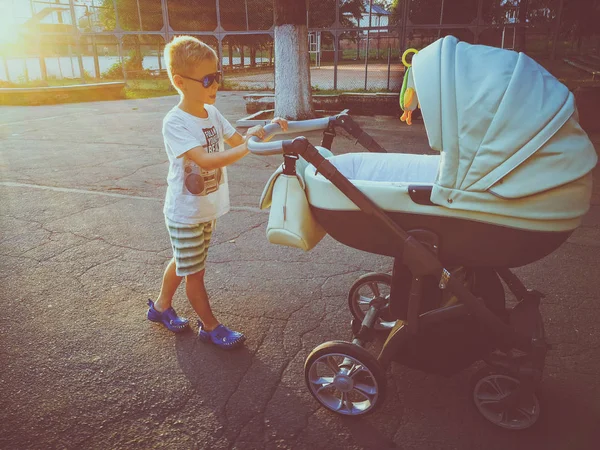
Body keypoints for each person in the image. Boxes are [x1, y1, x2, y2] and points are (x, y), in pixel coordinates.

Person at [147, 35, 287, 349]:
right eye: (208, 79)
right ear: (180, 82)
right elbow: (205, 159)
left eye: (218, 76)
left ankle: (159, 308)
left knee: (184, 262)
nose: (216, 85)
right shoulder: (175, 122)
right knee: (194, 273)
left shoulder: (212, 113)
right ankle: (210, 327)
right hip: (185, 213)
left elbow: (240, 141)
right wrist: (246, 147)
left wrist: (267, 129)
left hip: (206, 208)